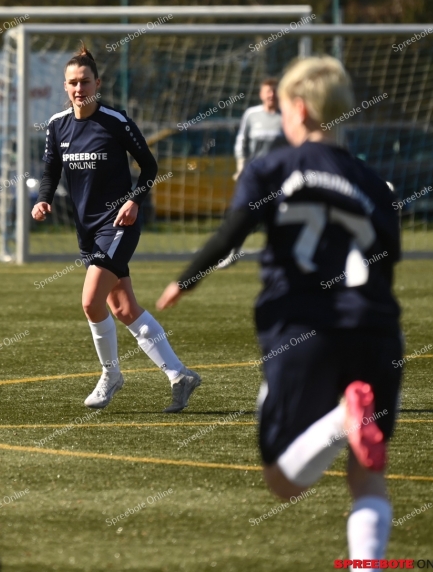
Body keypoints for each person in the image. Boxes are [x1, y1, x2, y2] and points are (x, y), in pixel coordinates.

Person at [157, 56, 402, 564]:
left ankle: (343, 419)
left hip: (304, 325)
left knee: (282, 480)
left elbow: (232, 232)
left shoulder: (273, 168)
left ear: (300, 109)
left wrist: (186, 279)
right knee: (368, 476)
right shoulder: (374, 184)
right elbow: (386, 266)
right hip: (377, 330)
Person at [32, 44, 201, 413]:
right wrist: (43, 200)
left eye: (85, 82)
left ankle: (111, 375)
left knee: (90, 302)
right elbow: (50, 171)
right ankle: (179, 375)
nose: (79, 89)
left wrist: (134, 200)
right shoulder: (57, 125)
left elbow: (149, 166)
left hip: (119, 224)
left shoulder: (115, 121)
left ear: (98, 83)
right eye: (73, 83)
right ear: (65, 86)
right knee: (124, 308)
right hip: (87, 230)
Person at [233, 77, 288, 181]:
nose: (271, 95)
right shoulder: (251, 114)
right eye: (268, 91)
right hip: (255, 171)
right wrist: (241, 165)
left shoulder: (287, 115)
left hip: (280, 173)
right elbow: (242, 140)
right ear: (261, 94)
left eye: (275, 91)